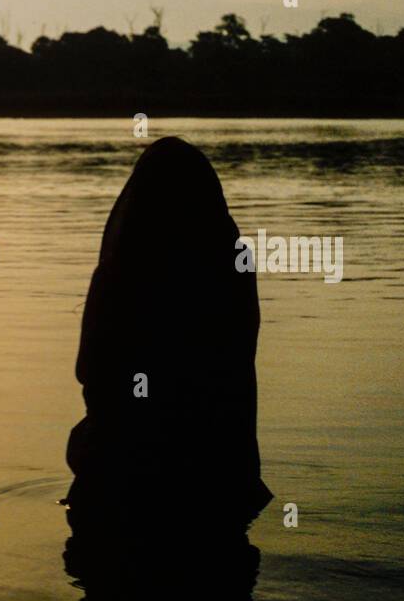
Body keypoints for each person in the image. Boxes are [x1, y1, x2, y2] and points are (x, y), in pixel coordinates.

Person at [63, 137, 272, 534]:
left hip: (124, 483)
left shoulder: (122, 270)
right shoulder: (230, 265)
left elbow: (91, 371)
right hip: (222, 476)